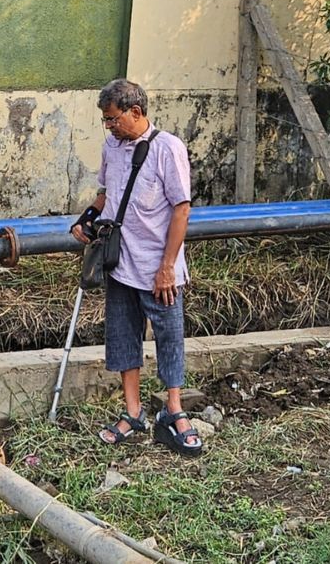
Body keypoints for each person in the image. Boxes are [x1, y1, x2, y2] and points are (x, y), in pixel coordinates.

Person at [70, 79, 202, 456]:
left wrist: (167, 268)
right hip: (119, 261)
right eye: (105, 120)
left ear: (136, 112)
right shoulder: (111, 146)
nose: (109, 126)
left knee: (168, 336)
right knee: (123, 336)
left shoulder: (167, 148)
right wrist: (87, 218)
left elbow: (182, 208)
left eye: (112, 119)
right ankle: (133, 411)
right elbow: (106, 194)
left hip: (157, 267)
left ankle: (174, 411)